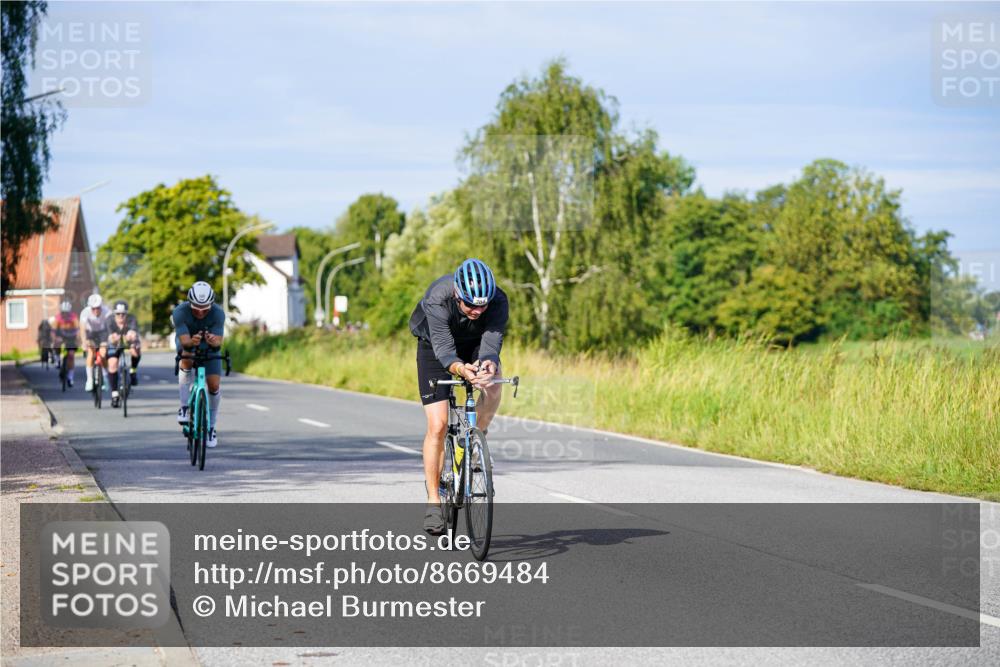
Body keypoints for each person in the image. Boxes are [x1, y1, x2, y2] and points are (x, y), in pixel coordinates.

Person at [409, 258, 508, 534]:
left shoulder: (498, 300)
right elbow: (444, 349)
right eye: (470, 305)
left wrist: (488, 364)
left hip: (473, 343)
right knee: (438, 424)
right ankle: (433, 500)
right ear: (457, 295)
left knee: (494, 384)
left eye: (482, 306)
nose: (477, 311)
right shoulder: (438, 298)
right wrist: (461, 369)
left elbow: (491, 342)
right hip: (434, 345)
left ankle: (478, 438)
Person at [172, 281, 225, 448]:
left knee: (214, 386)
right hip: (187, 343)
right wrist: (191, 342)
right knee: (187, 357)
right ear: (190, 303)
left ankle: (211, 427)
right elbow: (185, 342)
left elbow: (218, 343)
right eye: (196, 308)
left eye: (205, 308)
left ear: (211, 304)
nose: (201, 312)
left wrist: (214, 341)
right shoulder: (179, 312)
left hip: (209, 348)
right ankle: (184, 407)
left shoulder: (218, 313)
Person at [107, 300, 143, 408]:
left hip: (129, 341)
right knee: (113, 363)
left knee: (135, 350)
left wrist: (131, 336)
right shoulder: (109, 320)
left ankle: (133, 370)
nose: (121, 316)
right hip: (115, 343)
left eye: (123, 314)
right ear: (114, 314)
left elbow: (133, 333)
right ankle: (114, 394)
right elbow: (110, 337)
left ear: (126, 314)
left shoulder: (132, 319)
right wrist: (115, 339)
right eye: (118, 314)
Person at [79, 294, 111, 392]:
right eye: (93, 308)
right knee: (91, 352)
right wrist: (84, 342)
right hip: (90, 333)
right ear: (90, 307)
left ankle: (105, 377)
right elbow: (82, 329)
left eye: (98, 308)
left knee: (103, 354)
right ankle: (89, 379)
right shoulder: (85, 312)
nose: (96, 310)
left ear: (101, 306)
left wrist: (109, 340)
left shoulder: (107, 312)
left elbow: (111, 327)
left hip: (103, 332)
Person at [53, 301, 79, 386]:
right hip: (61, 336)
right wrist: (55, 338)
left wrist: (78, 338)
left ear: (69, 312)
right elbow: (53, 330)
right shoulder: (58, 317)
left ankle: (70, 377)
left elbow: (78, 328)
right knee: (57, 344)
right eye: (63, 312)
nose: (65, 314)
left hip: (71, 337)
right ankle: (57, 359)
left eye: (66, 313)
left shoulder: (73, 317)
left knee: (71, 356)